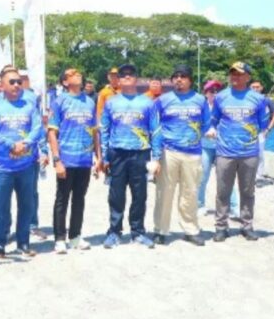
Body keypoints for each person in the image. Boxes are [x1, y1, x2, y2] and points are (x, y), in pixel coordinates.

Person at [205, 62, 270, 242]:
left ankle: (246, 225)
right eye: (233, 73)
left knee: (247, 192)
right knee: (222, 192)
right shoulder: (221, 97)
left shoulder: (258, 99)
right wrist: (211, 129)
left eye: (239, 74)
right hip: (224, 152)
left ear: (248, 77)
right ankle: (221, 227)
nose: (235, 77)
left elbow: (263, 124)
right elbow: (213, 120)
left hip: (249, 153)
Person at [0, 66, 44, 259]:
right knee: (0, 208)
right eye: (12, 82)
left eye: (19, 82)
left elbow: (37, 128)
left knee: (26, 206)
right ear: (2, 85)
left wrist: (25, 144)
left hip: (25, 166)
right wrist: (11, 145)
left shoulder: (29, 105)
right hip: (2, 167)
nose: (17, 85)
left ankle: (23, 242)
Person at [98, 63, 159, 249]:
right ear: (118, 79)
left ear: (136, 79)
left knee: (139, 195)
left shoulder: (147, 103)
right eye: (123, 75)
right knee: (116, 195)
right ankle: (114, 232)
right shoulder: (111, 102)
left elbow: (156, 130)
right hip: (117, 152)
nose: (126, 77)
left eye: (130, 74)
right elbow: (104, 129)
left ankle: (138, 232)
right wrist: (104, 156)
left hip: (140, 153)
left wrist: (156, 157)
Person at [151, 65, 209, 246]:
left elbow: (206, 124)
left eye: (183, 76)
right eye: (175, 76)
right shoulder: (162, 100)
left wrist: (203, 134)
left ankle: (190, 230)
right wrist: (156, 155)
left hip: (193, 153)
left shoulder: (200, 100)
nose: (179, 79)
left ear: (190, 80)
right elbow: (155, 128)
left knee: (190, 193)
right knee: (164, 193)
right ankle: (160, 230)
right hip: (169, 152)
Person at [48, 68, 98, 253]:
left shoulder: (89, 101)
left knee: (79, 199)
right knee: (62, 198)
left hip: (84, 159)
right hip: (66, 159)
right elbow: (52, 132)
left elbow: (94, 131)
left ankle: (75, 236)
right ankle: (60, 238)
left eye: (79, 73)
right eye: (72, 74)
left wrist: (98, 157)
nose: (78, 75)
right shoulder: (59, 101)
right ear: (65, 82)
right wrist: (57, 160)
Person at [198, 80, 239, 217]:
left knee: (226, 178)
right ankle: (199, 205)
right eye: (211, 91)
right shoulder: (201, 108)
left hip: (223, 147)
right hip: (205, 147)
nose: (214, 94)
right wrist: (204, 132)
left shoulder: (226, 107)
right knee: (202, 177)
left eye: (217, 91)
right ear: (206, 93)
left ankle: (233, 207)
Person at [249, 80, 274, 179]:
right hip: (247, 131)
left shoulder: (266, 100)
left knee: (260, 154)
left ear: (261, 88)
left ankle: (259, 175)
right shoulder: (246, 100)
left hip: (261, 132)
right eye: (253, 87)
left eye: (257, 87)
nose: (255, 89)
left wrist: (268, 129)